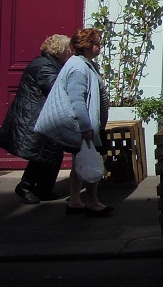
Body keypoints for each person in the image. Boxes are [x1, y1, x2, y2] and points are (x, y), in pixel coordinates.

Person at [36, 28, 113, 216]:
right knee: (93, 161)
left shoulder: (85, 64)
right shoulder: (79, 67)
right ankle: (92, 201)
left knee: (80, 161)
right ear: (87, 46)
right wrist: (86, 127)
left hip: (91, 124)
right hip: (88, 125)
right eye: (96, 43)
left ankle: (75, 201)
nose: (100, 46)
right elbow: (76, 99)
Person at [0, 34, 71, 204]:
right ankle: (26, 186)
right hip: (36, 116)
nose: (69, 53)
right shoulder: (44, 66)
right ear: (59, 51)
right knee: (41, 154)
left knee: (50, 154)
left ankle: (43, 188)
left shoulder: (48, 63)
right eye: (67, 49)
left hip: (42, 115)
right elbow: (55, 88)